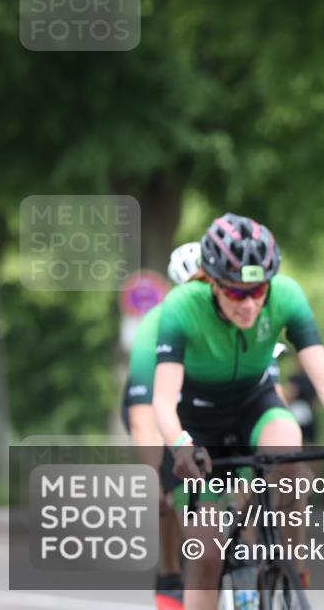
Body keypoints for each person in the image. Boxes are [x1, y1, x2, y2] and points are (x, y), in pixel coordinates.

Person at [153, 213, 324, 610]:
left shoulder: (286, 295)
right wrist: (181, 445)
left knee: (290, 458)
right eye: (236, 293)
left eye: (258, 291)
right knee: (206, 554)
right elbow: (163, 400)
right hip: (196, 426)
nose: (250, 304)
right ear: (212, 282)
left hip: (256, 405)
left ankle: (292, 569)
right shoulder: (181, 306)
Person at [121, 241, 203, 610]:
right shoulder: (156, 326)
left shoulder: (235, 315)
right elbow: (144, 417)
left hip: (203, 404)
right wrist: (153, 479)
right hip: (154, 406)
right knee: (169, 489)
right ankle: (169, 574)